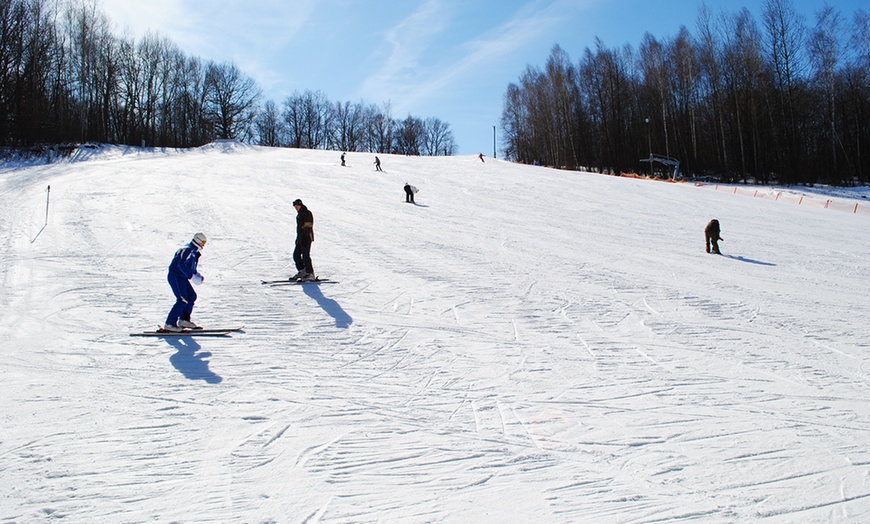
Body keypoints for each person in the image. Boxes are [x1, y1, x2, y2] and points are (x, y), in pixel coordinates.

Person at [164, 232, 207, 331]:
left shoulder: (194, 252)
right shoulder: (187, 250)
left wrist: (197, 275)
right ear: (198, 240)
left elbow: (190, 268)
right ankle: (170, 323)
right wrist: (191, 276)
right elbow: (180, 264)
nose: (203, 245)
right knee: (182, 299)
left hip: (182, 277)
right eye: (203, 242)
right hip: (175, 276)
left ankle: (184, 319)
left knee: (191, 296)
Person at [292, 199, 316, 280]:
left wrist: (304, 236)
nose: (296, 207)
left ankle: (310, 273)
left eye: (297, 206)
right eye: (295, 206)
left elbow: (308, 225)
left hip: (306, 238)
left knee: (305, 256)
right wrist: (298, 238)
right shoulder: (299, 214)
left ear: (300, 205)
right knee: (296, 255)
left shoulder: (306, 213)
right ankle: (302, 271)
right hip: (301, 238)